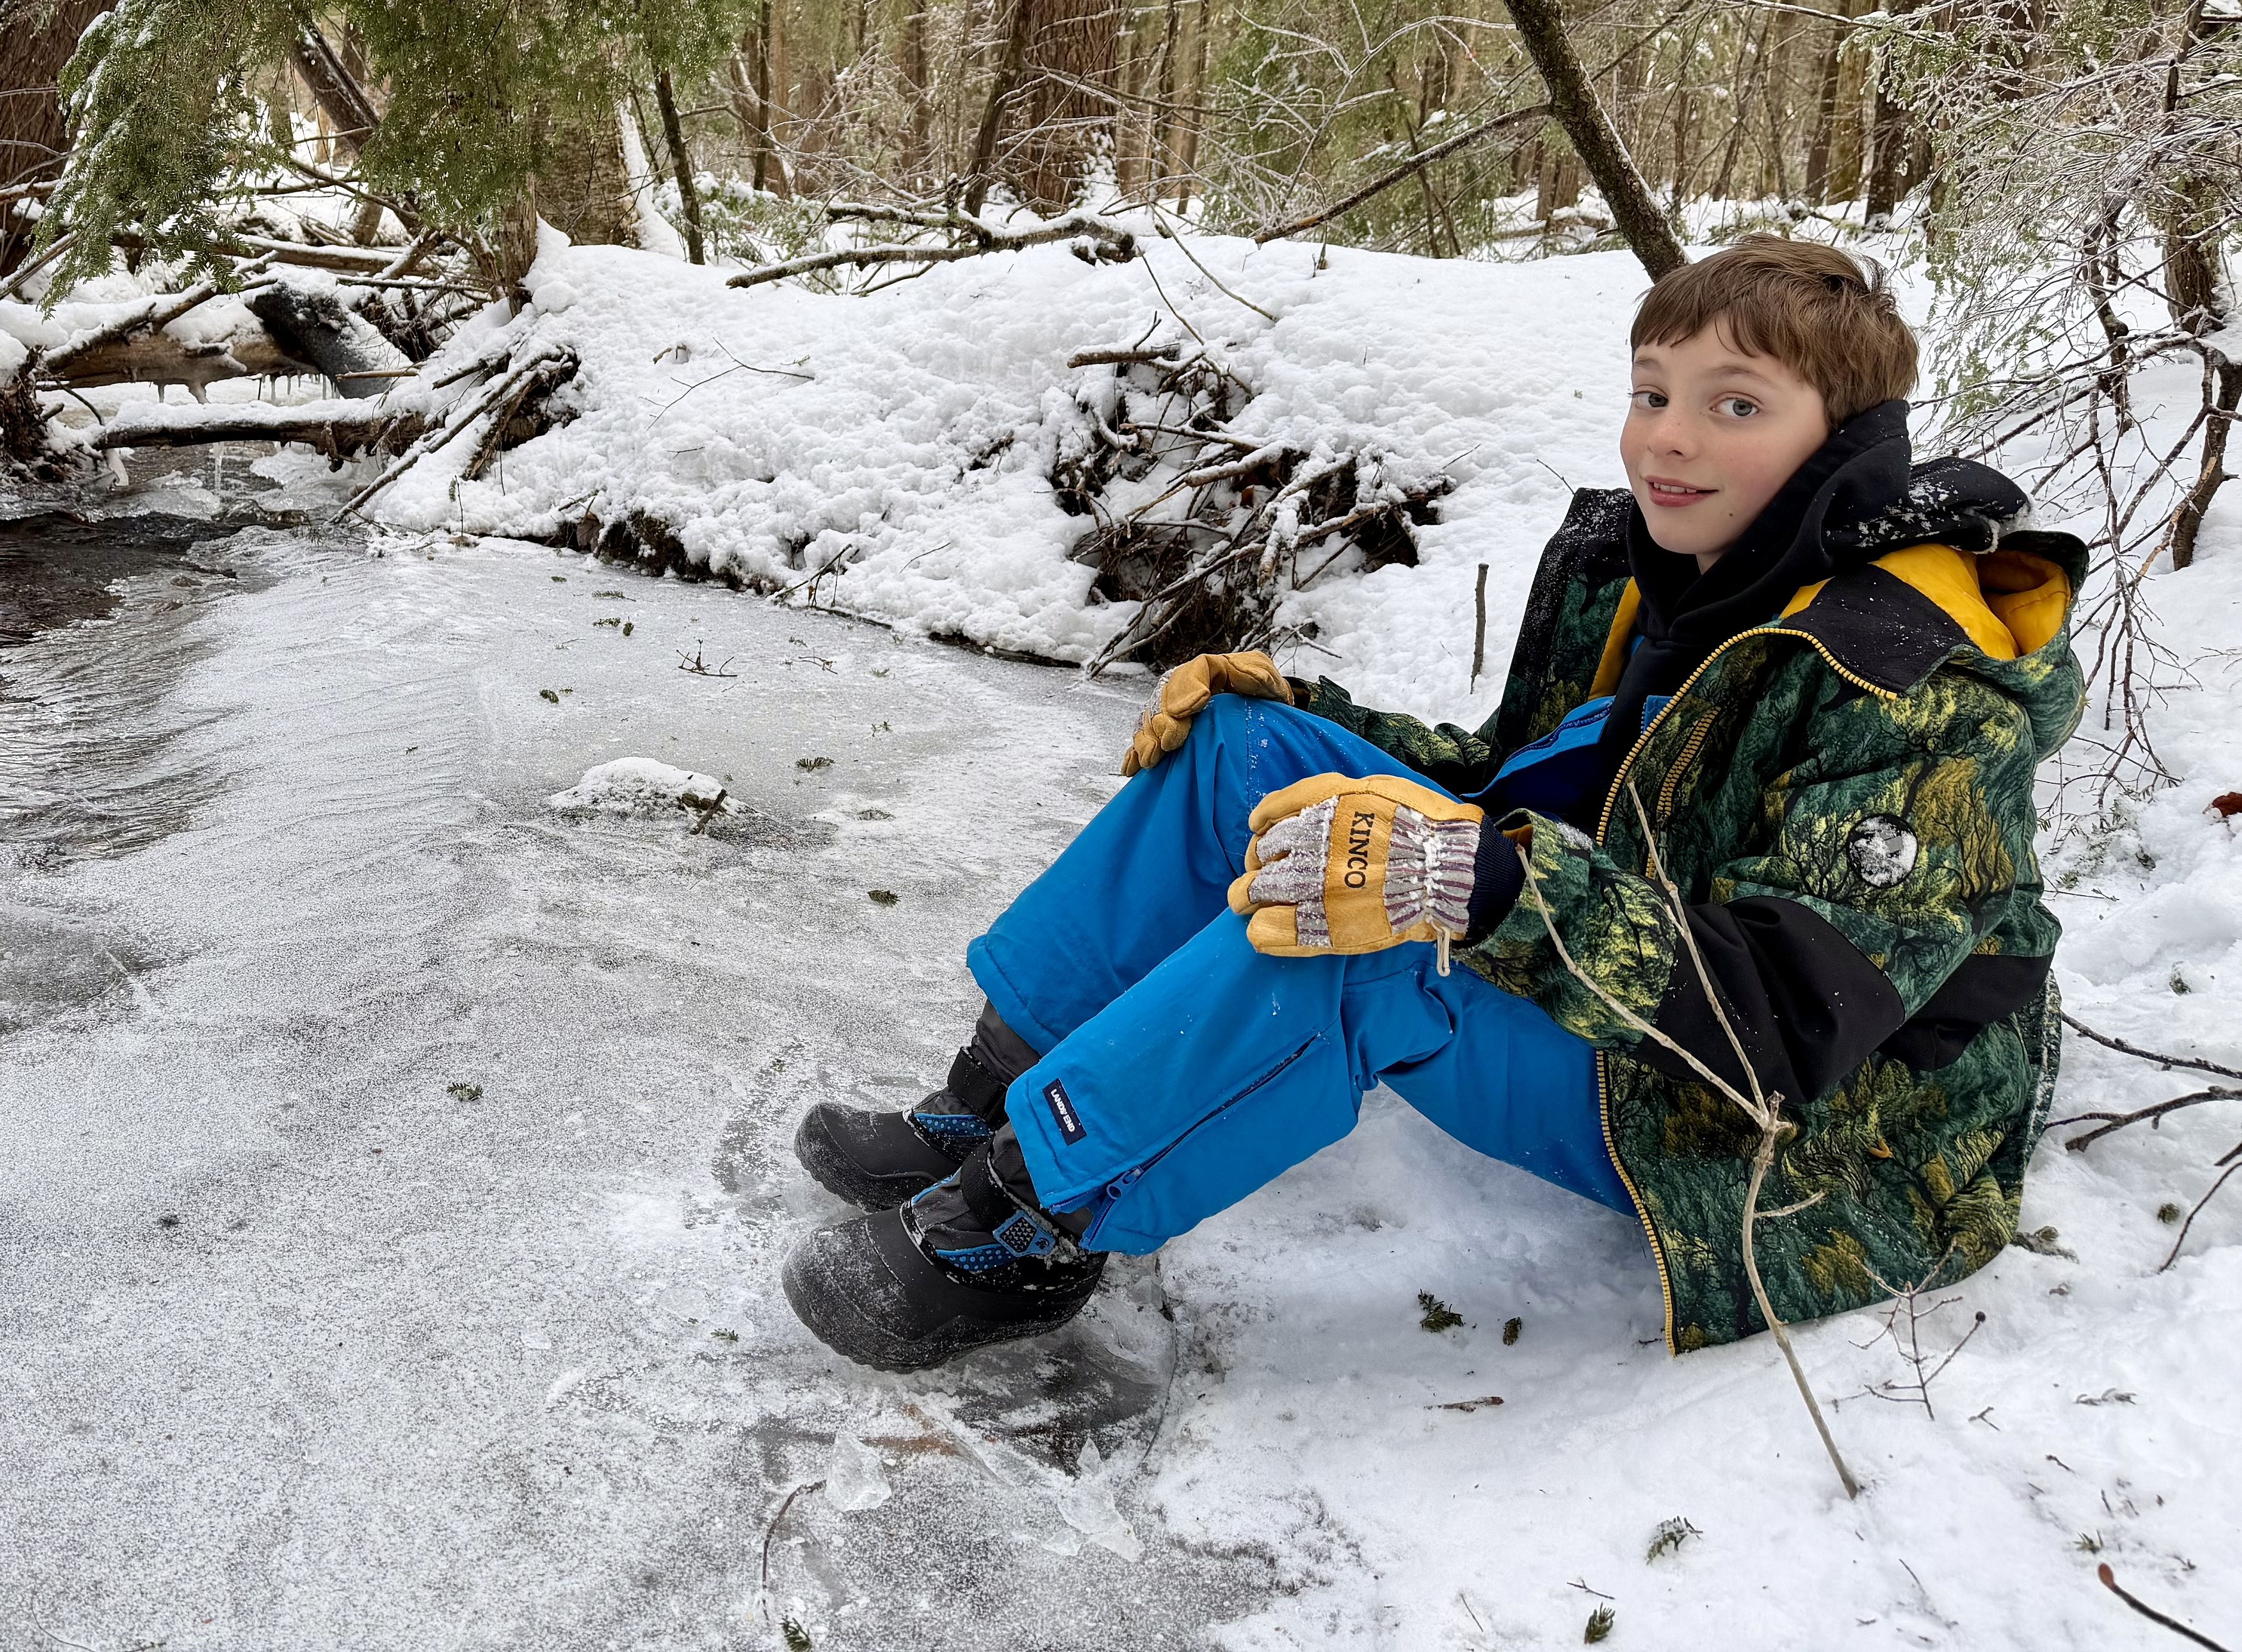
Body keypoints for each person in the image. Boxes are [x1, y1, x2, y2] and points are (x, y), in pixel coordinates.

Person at [781, 237, 2088, 1371]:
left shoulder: (1919, 685)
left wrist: (1475, 885)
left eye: (1735, 406)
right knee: (1246, 745)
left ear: (1845, 445)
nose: (1668, 439)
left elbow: (1795, 1023)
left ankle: (1033, 1221)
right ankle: (994, 1101)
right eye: (1652, 394)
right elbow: (1520, 779)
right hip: (1631, 997)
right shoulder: (1660, 570)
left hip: (1809, 1150)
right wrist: (1315, 720)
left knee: (1382, 928)